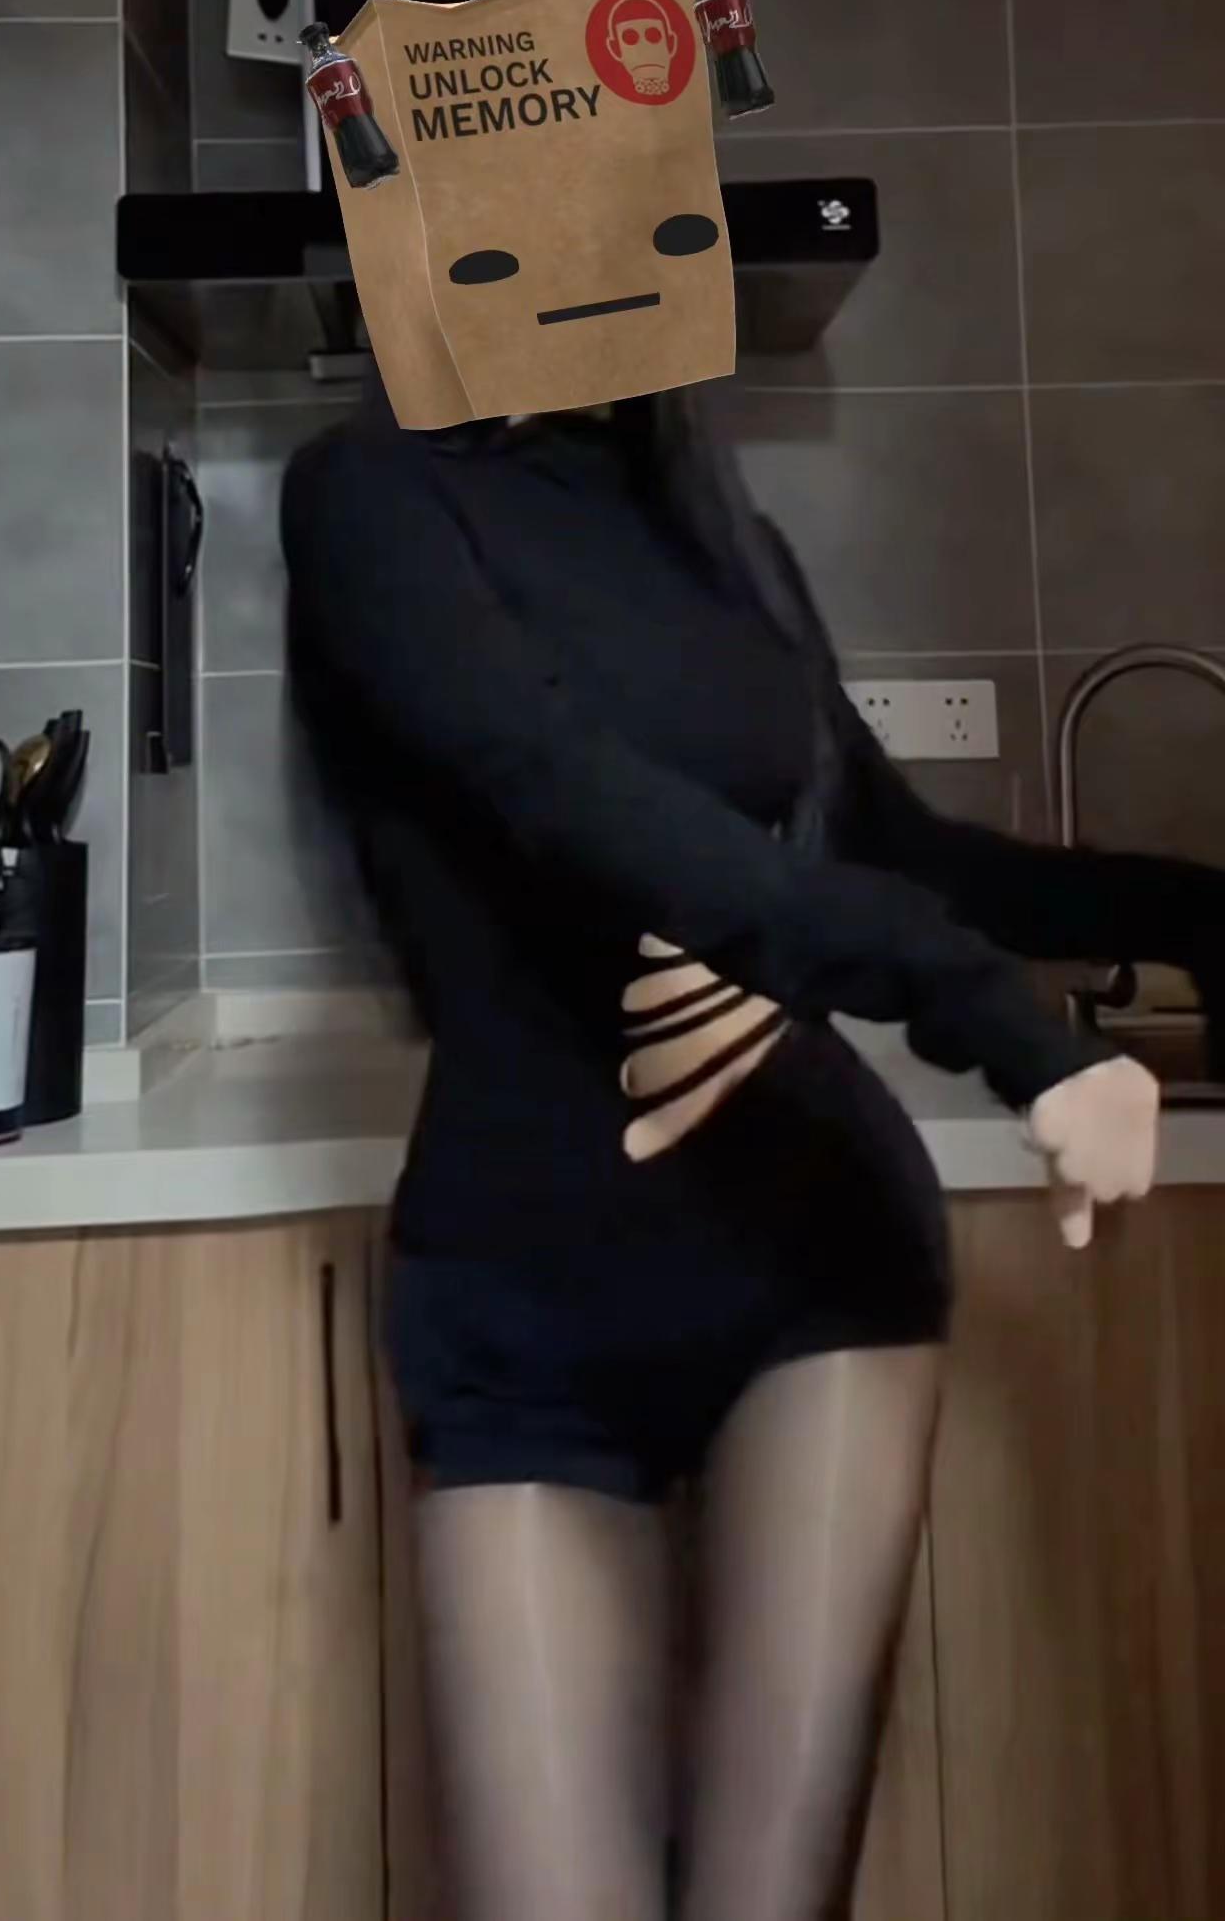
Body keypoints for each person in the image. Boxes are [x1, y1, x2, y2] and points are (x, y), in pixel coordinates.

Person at [283, 381, 1209, 1921]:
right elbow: (568, 795)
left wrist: (1200, 915)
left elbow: (903, 858)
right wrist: (1010, 1031)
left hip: (814, 1270)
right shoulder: (371, 495)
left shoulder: (725, 536)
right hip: (525, 1300)